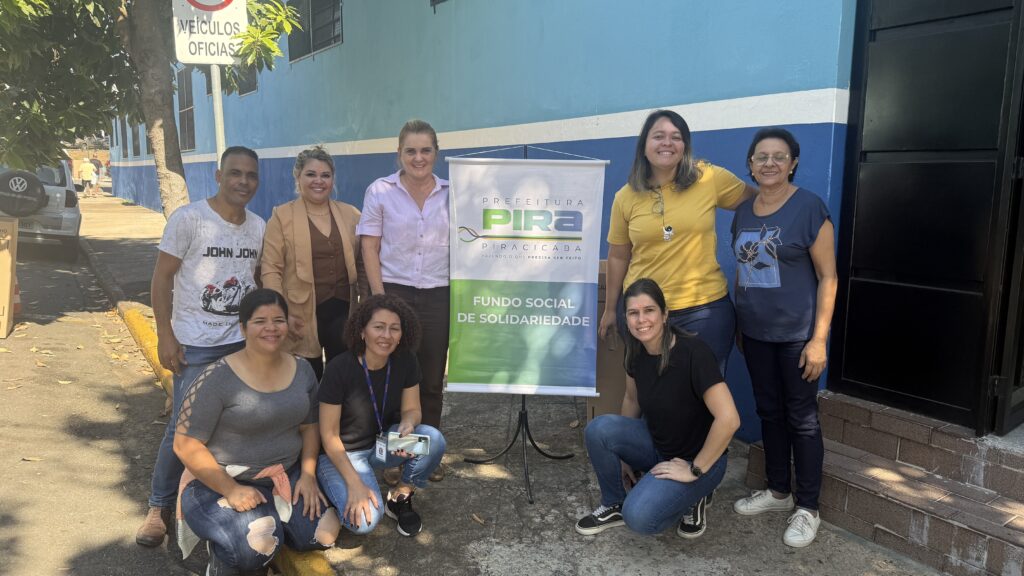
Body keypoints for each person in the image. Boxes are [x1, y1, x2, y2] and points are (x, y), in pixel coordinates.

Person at [135, 146, 266, 548]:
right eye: (235, 173)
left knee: (230, 426)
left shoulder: (258, 226)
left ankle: (207, 496)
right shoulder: (189, 219)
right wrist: (165, 334)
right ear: (219, 176)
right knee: (184, 428)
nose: (243, 181)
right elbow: (162, 278)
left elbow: (257, 280)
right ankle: (158, 507)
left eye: (250, 175)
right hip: (195, 344)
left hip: (240, 344)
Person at [174, 289, 340, 575]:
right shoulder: (217, 377)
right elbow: (185, 445)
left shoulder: (302, 369)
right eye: (260, 321)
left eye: (278, 320)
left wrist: (308, 475)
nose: (271, 328)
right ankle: (224, 554)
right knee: (256, 547)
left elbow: (310, 426)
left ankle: (267, 525)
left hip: (284, 475)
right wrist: (231, 490)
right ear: (243, 328)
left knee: (322, 535)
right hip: (220, 480)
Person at [730, 128, 837, 548]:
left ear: (793, 163)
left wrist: (819, 339)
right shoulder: (743, 211)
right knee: (769, 412)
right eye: (762, 157)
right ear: (751, 164)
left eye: (779, 156)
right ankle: (778, 492)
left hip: (797, 336)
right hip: (755, 333)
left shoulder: (809, 208)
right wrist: (740, 323)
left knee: (802, 419)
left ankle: (808, 507)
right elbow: (742, 270)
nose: (770, 163)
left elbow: (828, 277)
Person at [577, 278, 740, 539]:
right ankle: (613, 503)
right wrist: (625, 457)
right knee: (598, 429)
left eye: (649, 310)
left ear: (664, 315)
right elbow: (632, 400)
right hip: (659, 446)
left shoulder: (693, 353)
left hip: (699, 459)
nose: (641, 320)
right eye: (633, 313)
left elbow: (729, 419)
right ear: (626, 319)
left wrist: (694, 470)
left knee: (639, 517)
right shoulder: (635, 351)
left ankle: (695, 494)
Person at [598, 109, 756, 375]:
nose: (667, 143)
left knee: (704, 392)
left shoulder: (709, 178)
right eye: (659, 136)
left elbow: (758, 204)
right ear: (644, 145)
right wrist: (611, 309)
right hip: (645, 312)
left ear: (685, 146)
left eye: (676, 137)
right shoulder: (625, 197)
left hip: (705, 311)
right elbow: (618, 256)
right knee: (653, 391)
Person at [357, 119, 449, 482]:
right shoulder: (380, 191)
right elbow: (370, 247)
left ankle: (424, 457)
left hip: (438, 294)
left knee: (430, 380)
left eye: (425, 150)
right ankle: (393, 457)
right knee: (393, 377)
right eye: (410, 150)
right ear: (399, 153)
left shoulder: (452, 194)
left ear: (436, 153)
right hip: (394, 293)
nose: (418, 157)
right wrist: (380, 300)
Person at [316, 294, 446, 538]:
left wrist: (408, 422)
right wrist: (355, 484)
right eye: (378, 327)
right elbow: (329, 435)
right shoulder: (339, 368)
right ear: (362, 331)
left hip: (383, 444)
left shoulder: (406, 360)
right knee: (364, 522)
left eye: (394, 328)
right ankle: (331, 490)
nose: (387, 335)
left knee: (433, 440)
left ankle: (400, 497)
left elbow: (412, 410)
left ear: (402, 334)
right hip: (342, 454)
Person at [262, 145, 364, 380]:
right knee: (305, 380)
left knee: (343, 379)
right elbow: (271, 269)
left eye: (325, 175)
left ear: (333, 179)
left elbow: (363, 263)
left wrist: (365, 306)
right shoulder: (281, 216)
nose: (319, 181)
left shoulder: (351, 214)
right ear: (298, 177)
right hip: (299, 315)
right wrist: (280, 313)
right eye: (311, 174)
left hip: (343, 313)